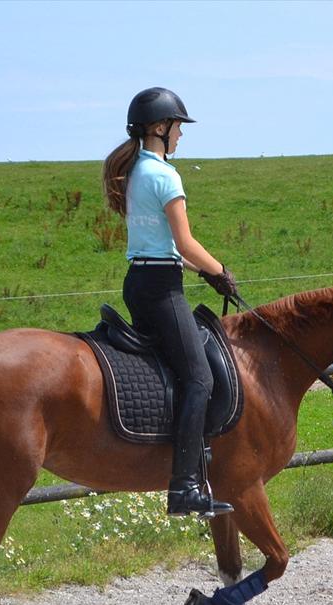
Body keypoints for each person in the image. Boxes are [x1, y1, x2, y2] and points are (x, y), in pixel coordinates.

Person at [101, 87, 240, 517]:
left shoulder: (136, 172)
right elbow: (184, 242)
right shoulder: (165, 175)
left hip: (139, 281)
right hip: (162, 288)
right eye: (178, 127)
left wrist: (203, 272)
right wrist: (220, 271)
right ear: (160, 128)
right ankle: (184, 486)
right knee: (199, 377)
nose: (181, 135)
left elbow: (166, 245)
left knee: (173, 366)